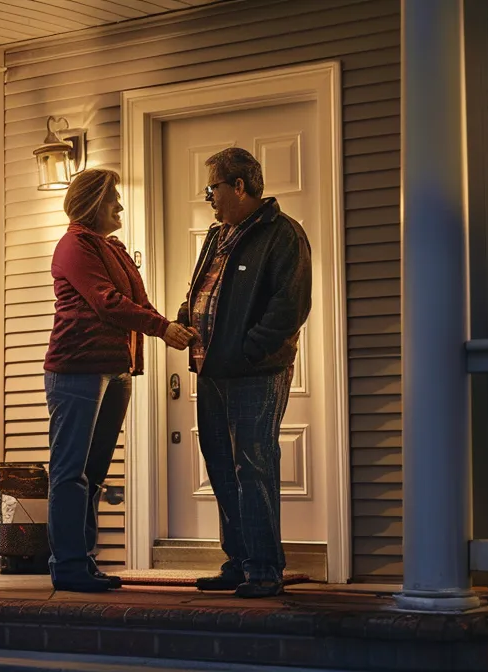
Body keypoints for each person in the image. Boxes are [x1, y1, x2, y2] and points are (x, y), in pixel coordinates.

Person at [44, 168, 194, 593]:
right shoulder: (74, 246)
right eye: (114, 199)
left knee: (92, 472)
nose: (121, 206)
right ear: (94, 202)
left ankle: (84, 561)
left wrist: (172, 323)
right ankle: (68, 565)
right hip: (76, 369)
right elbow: (108, 303)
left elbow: (137, 302)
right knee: (70, 473)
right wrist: (161, 329)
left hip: (116, 370)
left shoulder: (114, 249)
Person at [177, 147, 312, 599]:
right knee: (221, 467)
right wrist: (185, 318)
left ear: (239, 186)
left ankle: (264, 569)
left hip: (255, 372)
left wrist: (247, 351)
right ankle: (237, 562)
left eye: (212, 187)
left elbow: (289, 308)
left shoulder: (283, 235)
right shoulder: (218, 236)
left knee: (252, 466)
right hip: (211, 371)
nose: (208, 197)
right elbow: (204, 292)